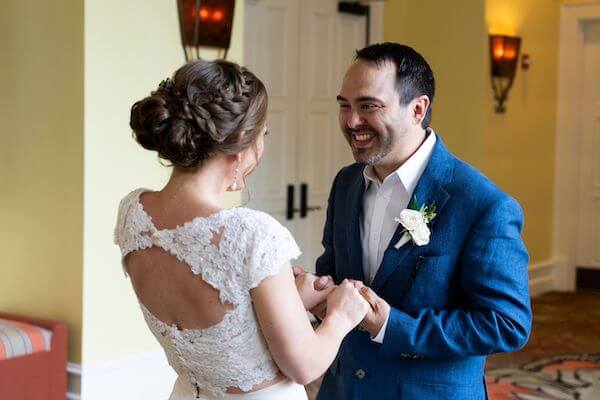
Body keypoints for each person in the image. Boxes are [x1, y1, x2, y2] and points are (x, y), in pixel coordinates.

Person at [113, 60, 370, 400]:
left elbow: (215, 329)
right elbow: (305, 366)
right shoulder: (252, 235)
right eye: (262, 136)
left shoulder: (134, 213)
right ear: (240, 139)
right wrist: (341, 315)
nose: (261, 148)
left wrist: (290, 301)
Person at [309, 42, 533, 399]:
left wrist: (391, 326)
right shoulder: (346, 184)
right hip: (344, 389)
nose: (351, 121)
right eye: (345, 106)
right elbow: (335, 271)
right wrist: (317, 292)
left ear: (417, 109)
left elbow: (506, 324)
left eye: (368, 106)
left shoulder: (483, 205)